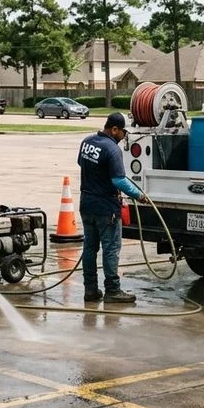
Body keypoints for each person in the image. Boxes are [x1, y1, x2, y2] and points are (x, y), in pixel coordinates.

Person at [76, 112, 147, 303]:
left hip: (86, 204)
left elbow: (81, 164)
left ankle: (90, 290)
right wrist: (139, 195)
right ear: (114, 129)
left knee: (90, 248)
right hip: (106, 209)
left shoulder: (87, 142)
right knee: (110, 249)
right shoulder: (112, 149)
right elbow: (118, 180)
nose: (123, 137)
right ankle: (113, 290)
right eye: (122, 133)